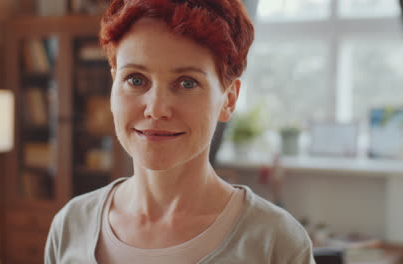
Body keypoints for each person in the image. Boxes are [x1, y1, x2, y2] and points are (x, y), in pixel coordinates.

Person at [45, 0, 315, 263]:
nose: (156, 109)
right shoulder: (70, 226)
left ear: (229, 100)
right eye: (136, 80)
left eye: (187, 83)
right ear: (114, 84)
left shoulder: (276, 242)